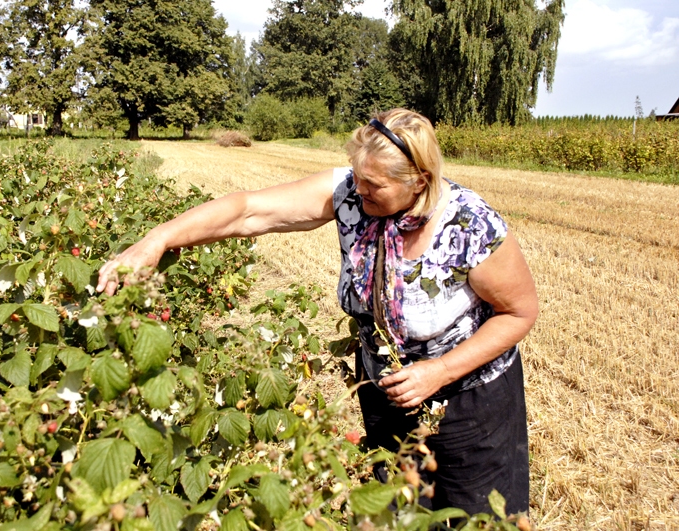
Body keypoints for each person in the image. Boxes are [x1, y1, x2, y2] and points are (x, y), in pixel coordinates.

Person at [96, 109, 538, 515]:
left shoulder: (468, 225)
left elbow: (518, 314)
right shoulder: (351, 192)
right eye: (357, 176)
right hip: (388, 392)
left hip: (468, 403)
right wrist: (157, 239)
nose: (358, 190)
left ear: (418, 182)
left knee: (476, 517)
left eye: (374, 185)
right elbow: (249, 211)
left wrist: (438, 372)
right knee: (400, 512)